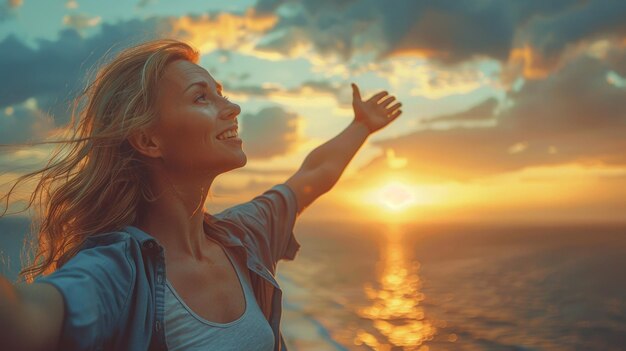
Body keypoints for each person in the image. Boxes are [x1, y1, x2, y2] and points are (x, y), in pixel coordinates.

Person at [0, 39, 402, 351]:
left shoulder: (245, 237)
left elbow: (313, 175)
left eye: (221, 92)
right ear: (148, 139)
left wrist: (361, 126)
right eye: (201, 97)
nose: (234, 107)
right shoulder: (117, 272)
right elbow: (21, 322)